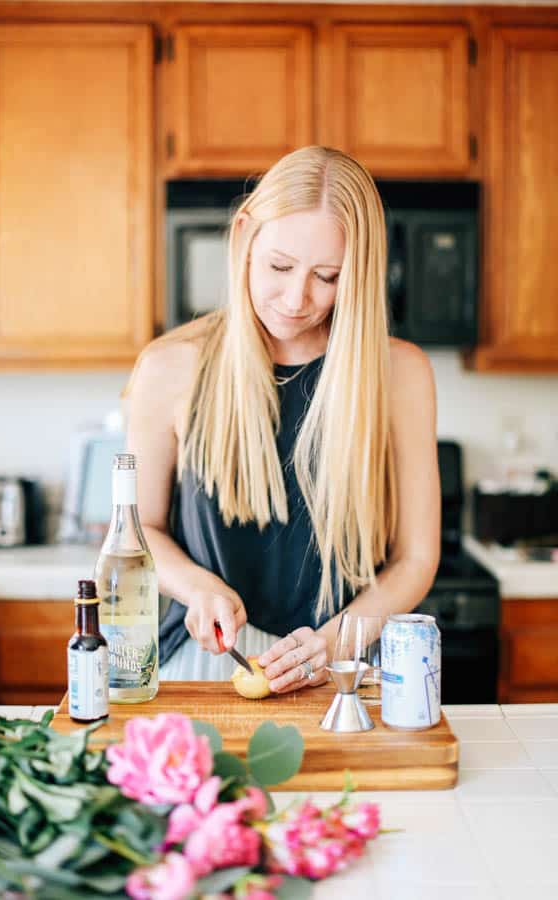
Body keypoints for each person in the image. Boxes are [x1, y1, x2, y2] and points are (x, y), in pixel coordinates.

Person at [125, 145, 440, 693]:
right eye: (279, 266)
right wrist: (197, 587)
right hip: (208, 661)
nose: (297, 298)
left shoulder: (401, 373)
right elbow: (138, 529)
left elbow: (415, 558)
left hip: (344, 662)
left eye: (328, 276)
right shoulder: (170, 368)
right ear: (245, 235)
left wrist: (335, 641)